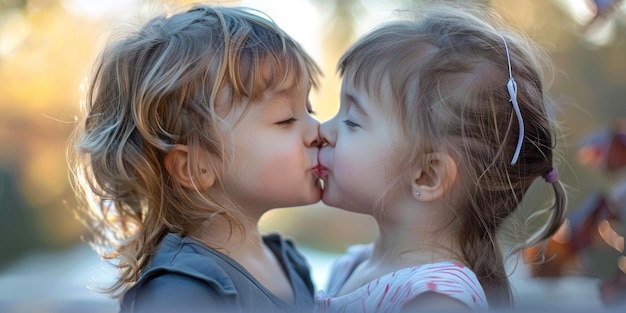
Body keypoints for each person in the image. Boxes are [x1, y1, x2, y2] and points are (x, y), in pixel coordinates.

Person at [68, 3, 323, 313]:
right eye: (286, 119)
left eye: (310, 110)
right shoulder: (181, 290)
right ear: (195, 167)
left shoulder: (290, 263)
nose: (319, 132)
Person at [315, 2, 568, 312]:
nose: (322, 130)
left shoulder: (436, 300)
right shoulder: (354, 264)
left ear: (427, 175)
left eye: (352, 121)